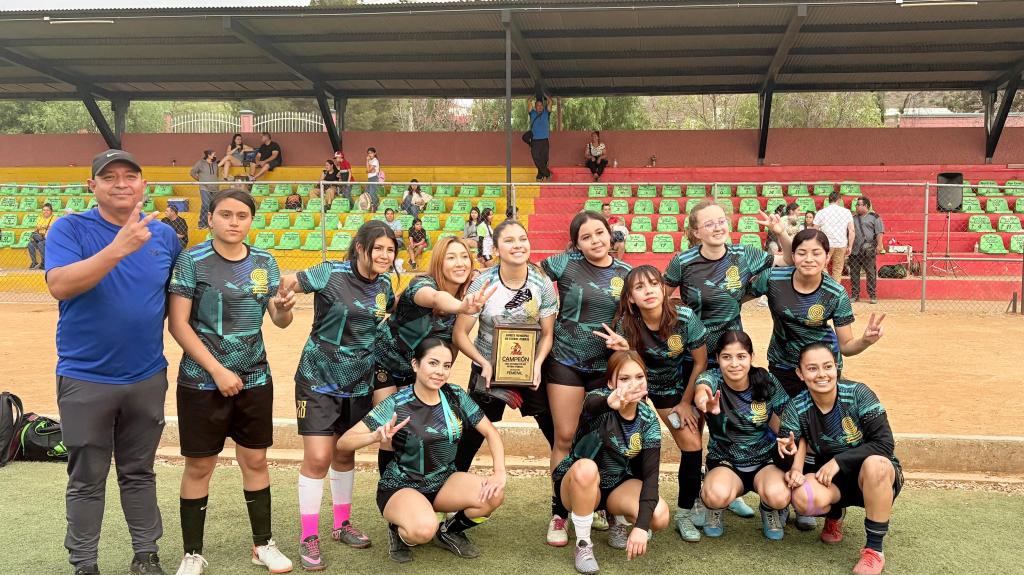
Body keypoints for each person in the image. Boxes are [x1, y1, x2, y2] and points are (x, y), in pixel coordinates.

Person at [45, 149, 183, 575]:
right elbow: (60, 286)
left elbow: (181, 300)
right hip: (86, 377)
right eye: (109, 177)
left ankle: (146, 555)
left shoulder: (164, 236)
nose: (121, 183)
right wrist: (118, 248)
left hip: (146, 375)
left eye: (130, 175)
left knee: (139, 471)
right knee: (87, 476)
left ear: (144, 185)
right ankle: (84, 564)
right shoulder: (69, 228)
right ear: (93, 186)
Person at [166, 189, 297, 575]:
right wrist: (218, 371)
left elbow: (278, 320)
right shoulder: (191, 261)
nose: (234, 221)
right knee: (199, 466)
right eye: (226, 214)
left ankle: (263, 545)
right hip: (201, 380)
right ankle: (192, 553)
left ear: (251, 221)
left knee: (255, 459)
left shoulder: (265, 261)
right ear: (210, 218)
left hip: (256, 376)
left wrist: (284, 310)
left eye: (242, 215)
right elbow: (178, 324)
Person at [276, 220, 398, 571]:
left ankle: (341, 524)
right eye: (378, 248)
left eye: (390, 250)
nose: (384, 255)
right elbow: (287, 288)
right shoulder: (329, 273)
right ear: (360, 248)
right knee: (318, 457)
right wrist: (282, 301)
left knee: (345, 455)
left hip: (359, 384)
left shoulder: (386, 286)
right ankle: (308, 536)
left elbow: (382, 329)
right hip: (317, 380)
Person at [662, 200, 791, 525]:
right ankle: (702, 497)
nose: (718, 227)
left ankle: (728, 490)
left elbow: (789, 259)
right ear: (695, 231)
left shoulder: (744, 255)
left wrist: (781, 233)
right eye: (709, 223)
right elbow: (661, 299)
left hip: (733, 355)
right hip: (695, 357)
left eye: (721, 221)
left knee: (732, 418)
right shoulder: (683, 261)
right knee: (698, 426)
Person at [340, 338, 507, 563]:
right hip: (402, 486)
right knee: (422, 531)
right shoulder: (397, 402)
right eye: (433, 363)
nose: (440, 372)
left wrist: (499, 472)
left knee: (494, 495)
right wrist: (374, 436)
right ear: (416, 365)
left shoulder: (455, 395)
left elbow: (491, 433)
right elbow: (344, 442)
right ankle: (399, 528)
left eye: (446, 366)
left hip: (444, 483)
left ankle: (449, 530)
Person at [596, 265, 709, 542]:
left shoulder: (684, 317)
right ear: (631, 297)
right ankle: (623, 516)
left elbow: (701, 362)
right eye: (639, 287)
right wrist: (625, 349)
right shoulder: (626, 322)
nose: (648, 291)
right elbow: (628, 365)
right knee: (633, 444)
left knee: (692, 444)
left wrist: (685, 402)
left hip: (674, 391)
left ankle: (685, 513)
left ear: (663, 288)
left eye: (653, 284)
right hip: (639, 389)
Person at [540, 210, 632, 546]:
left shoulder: (627, 272)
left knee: (608, 438)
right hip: (565, 360)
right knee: (564, 436)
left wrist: (625, 343)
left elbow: (635, 316)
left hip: (605, 367)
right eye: (586, 237)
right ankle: (558, 514)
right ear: (576, 244)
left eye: (600, 233)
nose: (595, 241)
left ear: (611, 234)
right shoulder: (564, 263)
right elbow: (530, 275)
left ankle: (608, 507)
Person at [779, 342, 902, 575]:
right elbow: (789, 450)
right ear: (800, 373)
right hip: (832, 480)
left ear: (837, 367)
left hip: (873, 476)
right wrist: (789, 456)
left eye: (827, 366)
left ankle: (874, 550)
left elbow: (884, 444)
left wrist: (838, 462)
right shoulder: (796, 407)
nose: (822, 374)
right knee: (803, 498)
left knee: (876, 465)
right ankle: (835, 514)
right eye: (812, 368)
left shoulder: (858, 394)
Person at [452, 218, 557, 483]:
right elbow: (459, 334)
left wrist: (537, 364)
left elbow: (547, 334)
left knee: (556, 434)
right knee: (470, 436)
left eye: (522, 239)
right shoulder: (483, 283)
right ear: (496, 248)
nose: (518, 245)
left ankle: (566, 505)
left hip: (531, 371)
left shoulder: (541, 282)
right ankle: (443, 501)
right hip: (488, 371)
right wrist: (483, 363)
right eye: (509, 241)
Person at [552, 350, 670, 574]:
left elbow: (651, 477)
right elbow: (591, 406)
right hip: (578, 483)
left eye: (639, 377)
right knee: (587, 468)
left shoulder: (648, 419)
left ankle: (616, 517)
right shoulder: (597, 400)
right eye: (624, 379)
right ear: (610, 382)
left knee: (659, 516)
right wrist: (609, 401)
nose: (632, 384)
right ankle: (583, 544)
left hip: (617, 485)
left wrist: (642, 527)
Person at [748, 229, 885, 398]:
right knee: (783, 419)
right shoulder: (773, 278)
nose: (809, 259)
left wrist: (865, 341)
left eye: (816, 253)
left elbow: (846, 346)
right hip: (783, 363)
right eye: (802, 253)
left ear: (827, 257)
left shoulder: (835, 293)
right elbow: (735, 299)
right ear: (792, 255)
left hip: (821, 367)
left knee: (820, 420)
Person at [692, 331, 792, 541]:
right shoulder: (712, 378)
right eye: (727, 357)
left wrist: (786, 439)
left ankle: (768, 509)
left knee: (780, 497)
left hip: (764, 461)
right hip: (726, 461)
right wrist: (704, 400)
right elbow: (702, 387)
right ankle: (714, 509)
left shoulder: (766, 380)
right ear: (718, 358)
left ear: (751, 356)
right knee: (715, 495)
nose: (734, 363)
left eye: (741, 356)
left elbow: (786, 415)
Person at [849, 196, 886, 304]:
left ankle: (872, 295)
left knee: (870, 273)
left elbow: (879, 232)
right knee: (854, 273)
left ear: (865, 206)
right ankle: (855, 295)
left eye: (858, 204)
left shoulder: (875, 217)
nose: (856, 206)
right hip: (855, 250)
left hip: (868, 250)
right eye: (856, 204)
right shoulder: (853, 218)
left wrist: (880, 245)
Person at [813, 191, 855, 283]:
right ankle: (835, 292)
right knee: (837, 270)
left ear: (828, 200)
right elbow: (851, 230)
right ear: (839, 200)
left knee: (822, 267)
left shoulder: (821, 212)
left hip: (825, 244)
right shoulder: (846, 212)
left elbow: (815, 230)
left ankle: (826, 285)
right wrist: (850, 246)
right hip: (841, 243)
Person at [190, 150, 219, 230]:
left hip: (215, 188)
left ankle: (211, 224)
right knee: (206, 205)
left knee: (213, 206)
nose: (215, 156)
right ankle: (202, 224)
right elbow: (192, 172)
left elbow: (217, 174)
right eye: (213, 154)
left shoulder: (215, 164)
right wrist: (200, 180)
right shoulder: (200, 163)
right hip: (204, 188)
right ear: (209, 155)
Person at [528, 94, 553, 181]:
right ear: (535, 107)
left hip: (544, 140)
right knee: (536, 157)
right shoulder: (532, 113)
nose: (540, 107)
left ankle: (540, 176)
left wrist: (544, 94)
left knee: (544, 159)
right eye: (538, 105)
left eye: (541, 105)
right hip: (535, 141)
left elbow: (550, 101)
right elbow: (528, 101)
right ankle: (548, 173)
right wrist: (534, 95)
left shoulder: (546, 113)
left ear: (543, 106)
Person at [28, 202, 55, 269]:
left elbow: (51, 227)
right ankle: (34, 263)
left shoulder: (54, 218)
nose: (45, 211)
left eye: (47, 210)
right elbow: (36, 229)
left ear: (51, 211)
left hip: (50, 240)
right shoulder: (40, 218)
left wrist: (42, 227)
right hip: (40, 238)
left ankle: (45, 263)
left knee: (41, 244)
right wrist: (45, 227)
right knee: (30, 244)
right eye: (44, 210)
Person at [365, 147, 381, 212]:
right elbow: (367, 170)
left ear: (375, 153)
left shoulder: (375, 160)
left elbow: (368, 170)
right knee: (367, 192)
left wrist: (368, 169)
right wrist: (367, 161)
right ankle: (375, 203)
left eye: (371, 153)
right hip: (369, 178)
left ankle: (374, 206)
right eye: (368, 153)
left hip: (374, 177)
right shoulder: (370, 161)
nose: (370, 155)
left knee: (372, 193)